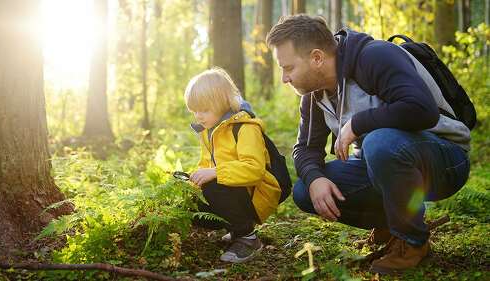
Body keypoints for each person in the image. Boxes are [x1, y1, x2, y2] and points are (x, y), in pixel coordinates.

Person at [266, 15, 470, 274]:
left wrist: (357, 124)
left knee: (378, 142)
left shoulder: (374, 57)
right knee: (305, 191)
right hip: (386, 163)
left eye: (288, 68)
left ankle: (412, 241)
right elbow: (305, 149)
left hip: (445, 158)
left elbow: (422, 109)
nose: (285, 78)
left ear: (317, 58)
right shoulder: (314, 95)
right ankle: (392, 224)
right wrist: (315, 178)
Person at [184, 67, 281, 263]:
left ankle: (248, 238)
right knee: (192, 193)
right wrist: (193, 181)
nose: (198, 116)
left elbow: (254, 170)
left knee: (213, 184)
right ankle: (236, 229)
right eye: (195, 111)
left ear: (222, 103)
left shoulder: (245, 128)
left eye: (204, 110)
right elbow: (206, 165)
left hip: (257, 193)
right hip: (236, 189)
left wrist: (215, 173)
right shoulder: (208, 131)